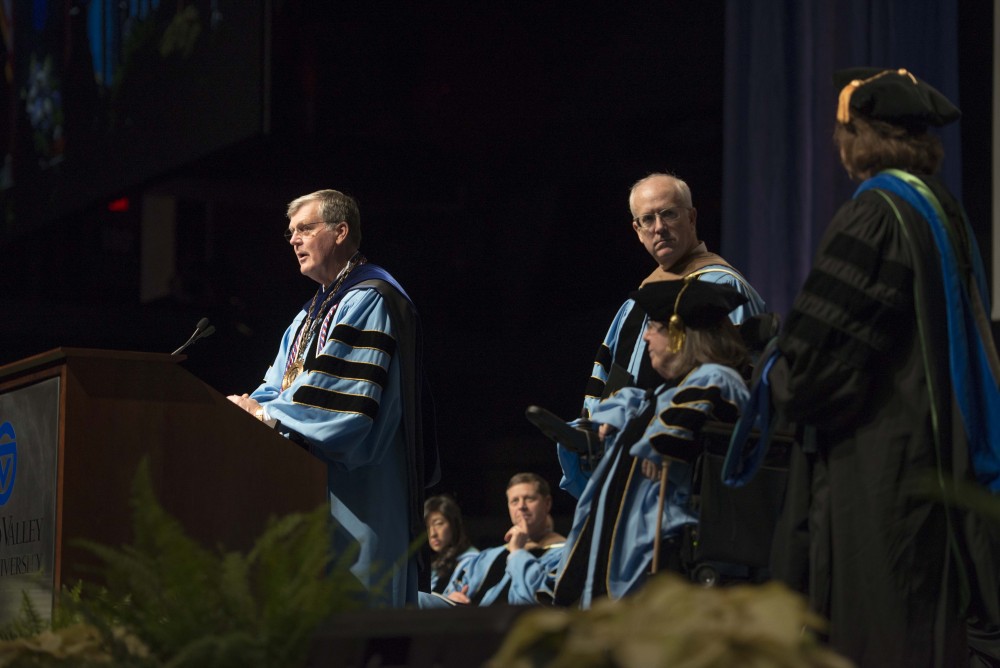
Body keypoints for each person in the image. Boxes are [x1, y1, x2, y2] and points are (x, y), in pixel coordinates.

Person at [763, 68, 1000, 667]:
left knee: (882, 636)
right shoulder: (940, 210)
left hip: (880, 474)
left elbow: (816, 368)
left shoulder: (876, 214)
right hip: (935, 464)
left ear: (858, 137)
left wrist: (776, 379)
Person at [227, 188, 437, 608]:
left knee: (359, 620)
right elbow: (278, 383)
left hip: (361, 490)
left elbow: (342, 400)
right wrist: (246, 408)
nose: (294, 240)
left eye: (305, 228)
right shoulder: (309, 313)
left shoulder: (370, 297)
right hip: (310, 485)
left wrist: (265, 414)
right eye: (291, 232)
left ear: (340, 231)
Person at [562, 174, 765, 498]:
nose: (659, 227)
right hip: (627, 474)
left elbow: (744, 388)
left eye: (669, 213)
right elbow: (606, 387)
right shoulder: (634, 305)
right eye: (647, 219)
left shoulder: (721, 290)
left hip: (692, 476)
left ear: (692, 217)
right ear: (637, 230)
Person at [551, 278, 751, 608]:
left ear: (679, 333)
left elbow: (677, 431)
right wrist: (601, 426)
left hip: (662, 549)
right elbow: (637, 403)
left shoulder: (716, 378)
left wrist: (659, 443)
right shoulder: (665, 393)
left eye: (654, 327)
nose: (645, 336)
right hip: (627, 539)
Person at [420, 473, 566, 608]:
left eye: (529, 499)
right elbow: (457, 589)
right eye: (514, 501)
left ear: (547, 503)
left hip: (513, 626)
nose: (521, 506)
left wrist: (517, 553)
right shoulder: (489, 556)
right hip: (469, 619)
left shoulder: (562, 554)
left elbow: (533, 602)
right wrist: (452, 595)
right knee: (415, 599)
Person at [423, 494, 478, 594]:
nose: (432, 533)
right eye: (427, 527)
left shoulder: (473, 561)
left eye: (439, 523)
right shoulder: (435, 567)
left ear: (454, 525)